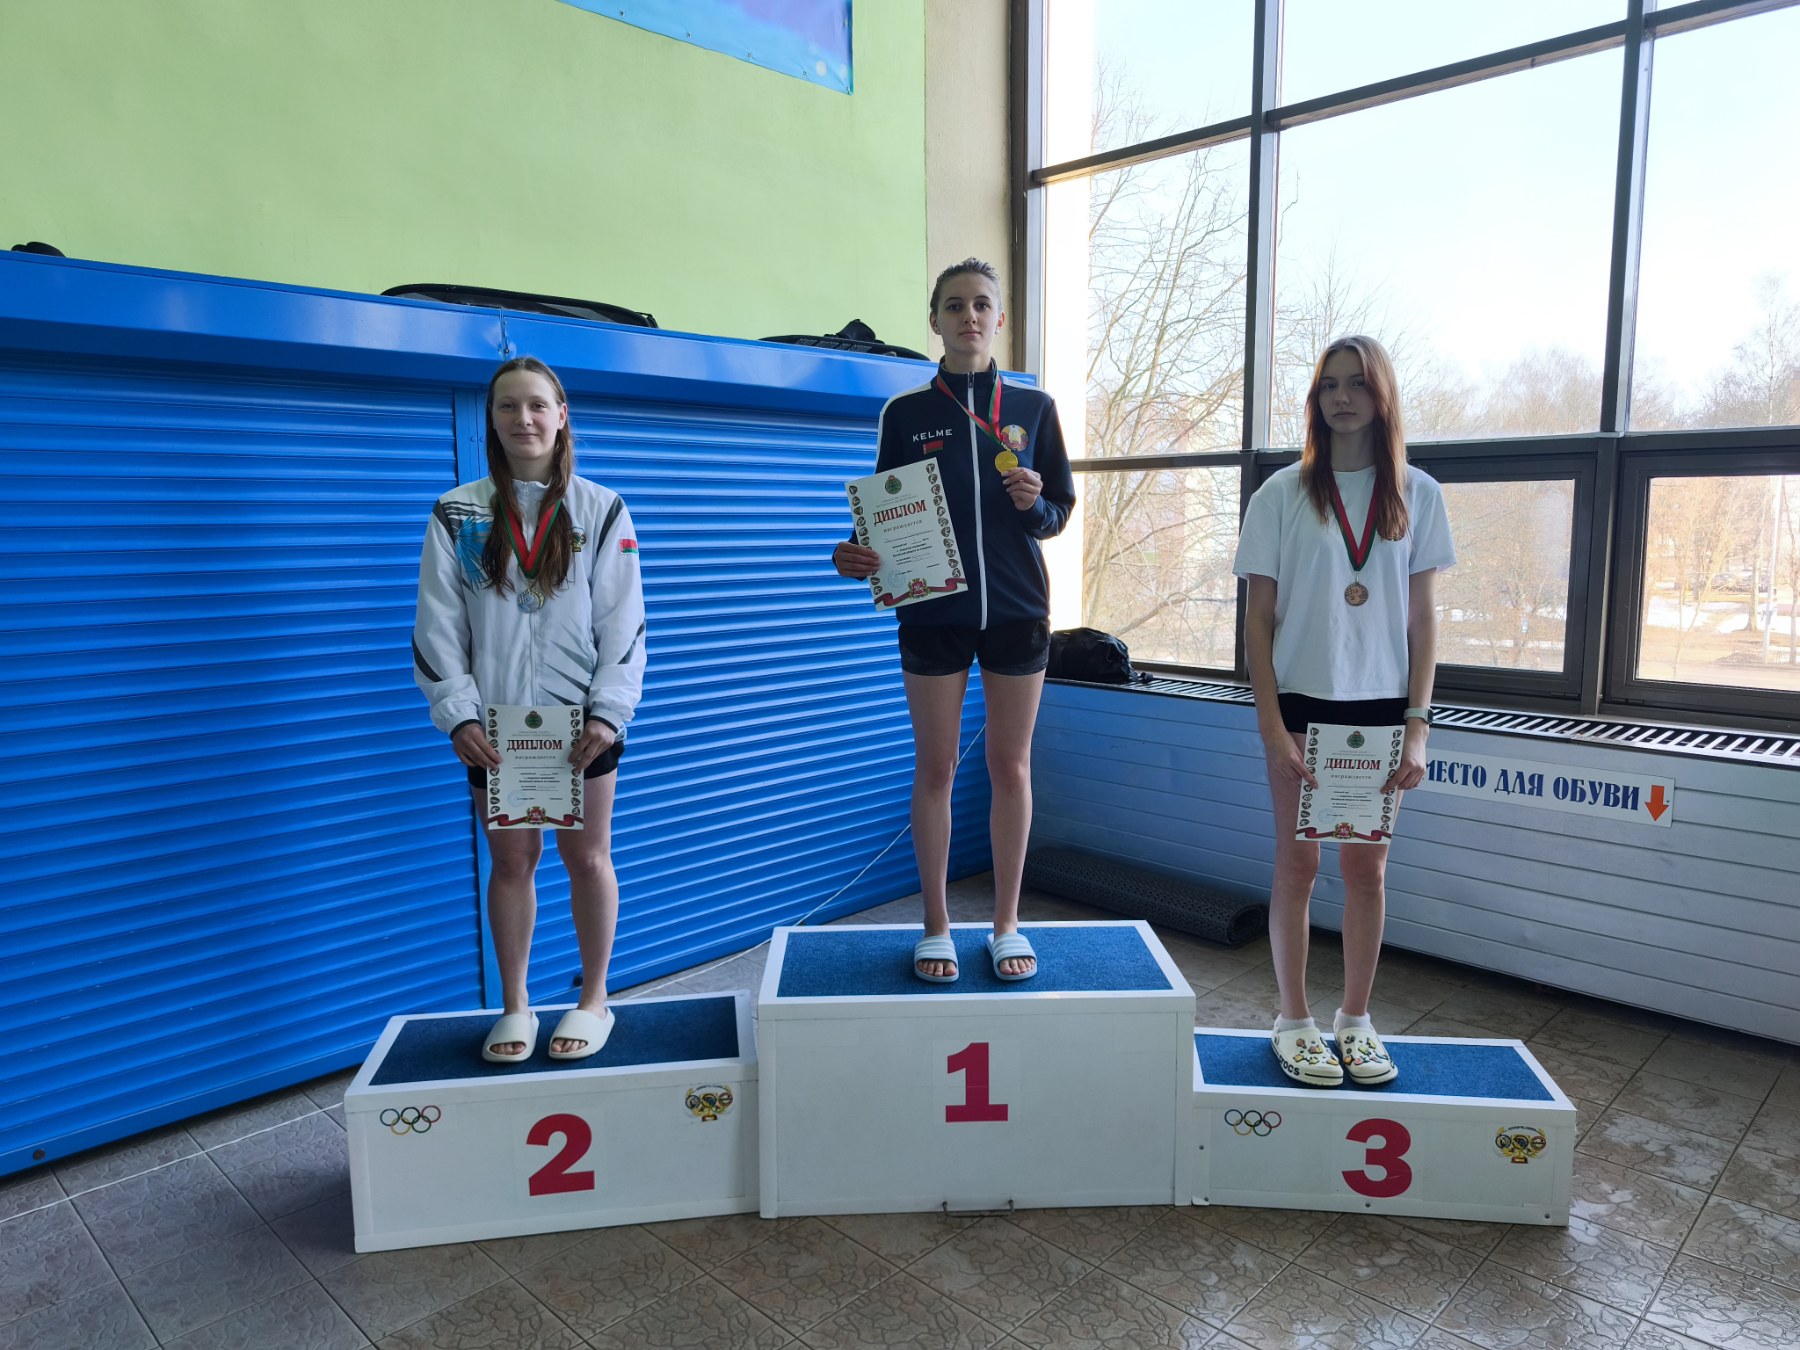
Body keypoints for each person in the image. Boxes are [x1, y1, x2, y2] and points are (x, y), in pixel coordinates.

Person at [832, 258, 1076, 983]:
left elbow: (1057, 515)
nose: (969, 316)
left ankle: (1006, 924)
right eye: (955, 305)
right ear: (935, 319)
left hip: (1018, 612)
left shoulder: (1035, 409)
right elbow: (880, 519)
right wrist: (852, 555)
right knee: (935, 767)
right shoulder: (905, 414)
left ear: (999, 318)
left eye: (982, 304)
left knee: (1010, 766)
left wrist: (1034, 504)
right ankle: (935, 925)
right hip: (931, 613)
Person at [1232, 335, 1455, 1086]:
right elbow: (1258, 621)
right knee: (1297, 864)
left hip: (1383, 712)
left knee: (1367, 869)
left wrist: (1418, 725)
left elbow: (1423, 620)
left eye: (1357, 383)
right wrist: (1271, 726)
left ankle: (1354, 1019)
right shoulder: (1280, 494)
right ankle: (1293, 1019)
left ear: (1381, 396)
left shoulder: (1418, 493)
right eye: (1329, 385)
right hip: (1301, 704)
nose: (1342, 397)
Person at [414, 356, 647, 1063]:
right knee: (511, 861)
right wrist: (459, 715)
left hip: (583, 727)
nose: (524, 419)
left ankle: (594, 999)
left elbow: (624, 621)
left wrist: (608, 712)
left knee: (588, 857)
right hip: (497, 729)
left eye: (538, 405)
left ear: (562, 414)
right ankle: (515, 1006)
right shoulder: (456, 512)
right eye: (508, 406)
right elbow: (437, 624)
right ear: (491, 419)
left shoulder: (602, 509)